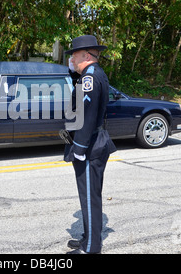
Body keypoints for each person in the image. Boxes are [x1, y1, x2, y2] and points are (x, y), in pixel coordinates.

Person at [63, 35, 116, 254]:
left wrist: (80, 147)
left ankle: (91, 248)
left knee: (89, 197)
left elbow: (87, 113)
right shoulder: (90, 74)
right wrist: (73, 71)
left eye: (74, 56)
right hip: (93, 142)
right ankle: (89, 238)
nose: (72, 59)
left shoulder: (90, 77)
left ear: (85, 55)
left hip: (90, 144)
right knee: (89, 196)